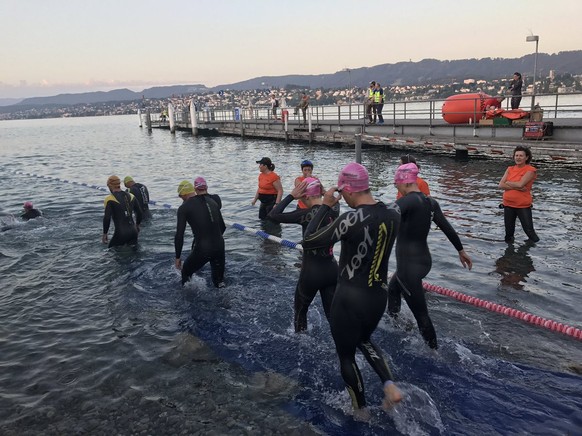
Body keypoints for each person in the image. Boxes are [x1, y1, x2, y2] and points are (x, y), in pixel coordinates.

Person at [303, 162, 402, 420]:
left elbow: (309, 240)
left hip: (348, 298)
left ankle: (360, 410)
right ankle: (389, 386)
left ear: (347, 189)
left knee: (346, 356)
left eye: (343, 193)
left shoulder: (350, 219)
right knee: (365, 339)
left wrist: (325, 204)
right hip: (377, 297)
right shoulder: (393, 213)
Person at [388, 163, 472, 350]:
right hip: (423, 261)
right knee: (393, 291)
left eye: (396, 184)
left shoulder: (408, 201)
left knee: (421, 315)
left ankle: (434, 352)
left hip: (408, 266)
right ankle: (397, 327)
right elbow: (446, 227)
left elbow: (382, 214)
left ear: (404, 182)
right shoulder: (431, 202)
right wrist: (461, 250)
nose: (397, 188)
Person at [268, 177, 339, 332]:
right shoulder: (335, 208)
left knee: (300, 314)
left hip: (311, 273)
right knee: (333, 317)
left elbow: (273, 215)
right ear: (321, 192)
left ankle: (300, 343)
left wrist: (291, 195)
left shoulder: (305, 214)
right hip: (332, 269)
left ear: (305, 196)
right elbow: (329, 197)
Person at [174, 180, 226, 288]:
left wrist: (178, 257)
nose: (181, 199)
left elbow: (179, 235)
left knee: (186, 272)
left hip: (203, 248)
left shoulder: (184, 208)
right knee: (219, 283)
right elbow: (222, 227)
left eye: (180, 196)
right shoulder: (213, 201)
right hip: (220, 246)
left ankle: (187, 299)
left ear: (184, 194)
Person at [498, 146, 540, 243]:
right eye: (516, 155)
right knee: (508, 232)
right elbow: (500, 185)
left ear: (527, 157)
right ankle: (509, 253)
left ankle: (540, 249)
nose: (518, 157)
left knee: (529, 231)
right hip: (508, 204)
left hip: (523, 205)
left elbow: (521, 184)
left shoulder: (531, 170)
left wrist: (508, 182)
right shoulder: (510, 169)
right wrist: (516, 186)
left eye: (521, 155)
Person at [102, 175, 142, 248]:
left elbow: (107, 218)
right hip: (133, 232)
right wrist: (137, 225)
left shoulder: (109, 199)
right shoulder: (131, 196)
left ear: (110, 186)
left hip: (120, 233)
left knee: (111, 254)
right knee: (135, 255)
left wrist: (105, 233)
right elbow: (139, 212)